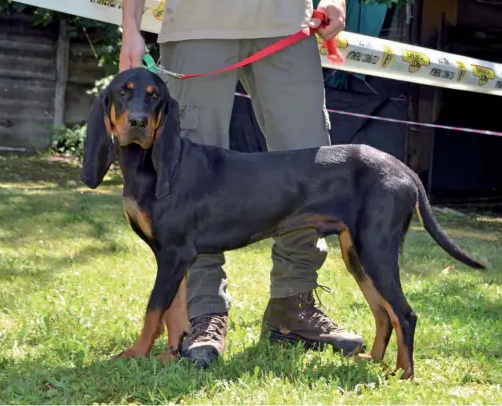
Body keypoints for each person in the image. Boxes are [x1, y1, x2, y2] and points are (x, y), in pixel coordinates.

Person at [119, 0, 365, 368]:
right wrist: (130, 28)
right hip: (197, 25)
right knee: (190, 180)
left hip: (287, 24)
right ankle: (203, 313)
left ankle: (292, 304)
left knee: (310, 168)